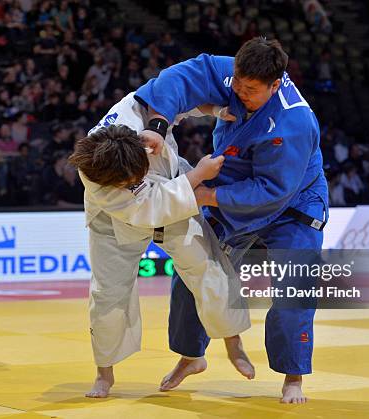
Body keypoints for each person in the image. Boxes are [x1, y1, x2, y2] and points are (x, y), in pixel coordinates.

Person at [135, 37, 328, 403]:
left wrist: (204, 194)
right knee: (193, 269)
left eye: (251, 90)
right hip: (231, 185)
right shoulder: (235, 75)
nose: (240, 93)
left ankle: (293, 377)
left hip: (293, 205)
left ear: (275, 84)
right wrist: (158, 127)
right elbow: (179, 77)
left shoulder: (294, 122)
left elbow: (274, 190)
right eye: (237, 84)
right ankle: (192, 355)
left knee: (295, 290)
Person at [69, 92, 254, 398]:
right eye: (128, 179)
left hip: (173, 186)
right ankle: (104, 373)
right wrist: (198, 175)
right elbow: (151, 206)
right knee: (107, 294)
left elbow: (173, 96)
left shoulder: (133, 111)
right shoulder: (96, 177)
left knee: (208, 266)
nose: (135, 178)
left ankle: (234, 344)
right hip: (115, 224)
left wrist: (215, 110)